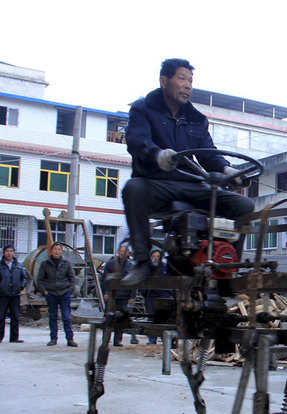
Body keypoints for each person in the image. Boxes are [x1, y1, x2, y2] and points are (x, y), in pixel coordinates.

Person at [122, 58, 254, 286]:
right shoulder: (142, 109)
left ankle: (226, 265)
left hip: (190, 184)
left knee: (244, 206)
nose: (188, 85)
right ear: (164, 81)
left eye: (190, 80)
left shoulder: (196, 119)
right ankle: (142, 261)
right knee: (133, 189)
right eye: (182, 78)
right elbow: (136, 141)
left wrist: (227, 169)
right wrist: (156, 154)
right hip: (157, 182)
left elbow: (208, 154)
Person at [36, 243, 78, 347]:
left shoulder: (66, 263)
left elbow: (72, 278)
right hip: (51, 294)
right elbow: (40, 280)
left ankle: (70, 339)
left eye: (59, 249)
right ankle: (53, 339)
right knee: (53, 317)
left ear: (61, 251)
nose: (57, 251)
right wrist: (44, 292)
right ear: (51, 251)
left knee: (66, 317)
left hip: (64, 293)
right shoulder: (45, 264)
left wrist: (69, 290)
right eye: (55, 249)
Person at [0, 243, 28, 344]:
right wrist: (0, 287)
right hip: (2, 295)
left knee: (15, 316)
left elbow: (24, 277)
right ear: (4, 253)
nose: (9, 253)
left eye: (11, 251)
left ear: (14, 253)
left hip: (15, 294)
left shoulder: (19, 265)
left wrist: (21, 286)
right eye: (7, 251)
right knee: (0, 316)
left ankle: (14, 338)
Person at [101, 243, 135, 346]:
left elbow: (134, 282)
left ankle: (118, 340)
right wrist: (105, 292)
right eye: (121, 251)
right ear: (118, 252)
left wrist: (132, 296)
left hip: (124, 296)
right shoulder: (110, 264)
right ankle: (105, 339)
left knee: (121, 318)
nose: (122, 253)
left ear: (128, 253)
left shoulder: (130, 266)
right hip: (112, 296)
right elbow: (104, 280)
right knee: (108, 318)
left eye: (124, 252)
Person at [142, 248, 170, 344]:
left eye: (158, 256)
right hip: (150, 296)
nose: (155, 258)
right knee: (151, 317)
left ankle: (164, 339)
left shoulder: (166, 268)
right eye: (153, 256)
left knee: (163, 318)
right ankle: (152, 339)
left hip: (163, 296)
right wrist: (144, 293)